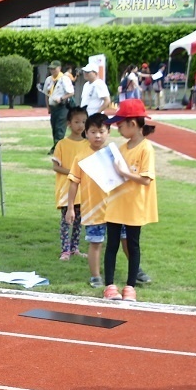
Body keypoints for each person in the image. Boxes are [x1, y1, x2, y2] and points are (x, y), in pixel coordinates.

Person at [98, 99, 158, 301]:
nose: (117, 128)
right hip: (116, 202)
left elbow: (146, 179)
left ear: (133, 124)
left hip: (134, 205)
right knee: (112, 244)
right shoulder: (121, 148)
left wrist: (124, 173)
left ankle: (130, 286)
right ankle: (109, 285)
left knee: (132, 245)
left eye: (120, 125)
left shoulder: (146, 148)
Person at [64, 112, 114, 288]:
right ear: (86, 133)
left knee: (121, 243)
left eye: (101, 131)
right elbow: (73, 183)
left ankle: (132, 271)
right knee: (95, 243)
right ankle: (95, 276)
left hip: (116, 209)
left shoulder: (113, 154)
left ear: (108, 131)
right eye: (93, 132)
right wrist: (70, 207)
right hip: (93, 209)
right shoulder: (81, 156)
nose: (98, 136)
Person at [50, 107, 88, 261]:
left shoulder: (87, 144)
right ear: (69, 124)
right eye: (77, 122)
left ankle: (74, 248)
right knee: (67, 221)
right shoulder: (62, 144)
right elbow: (56, 166)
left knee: (78, 222)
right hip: (66, 189)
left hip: (82, 190)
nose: (80, 125)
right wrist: (73, 173)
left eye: (84, 122)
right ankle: (65, 250)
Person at [42, 60, 74, 151]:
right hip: (53, 107)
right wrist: (48, 107)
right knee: (54, 127)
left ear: (59, 68)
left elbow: (71, 93)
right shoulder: (49, 79)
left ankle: (57, 148)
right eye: (51, 69)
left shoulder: (64, 79)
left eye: (54, 68)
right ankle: (57, 145)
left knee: (60, 128)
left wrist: (62, 98)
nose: (52, 70)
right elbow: (47, 95)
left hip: (62, 106)